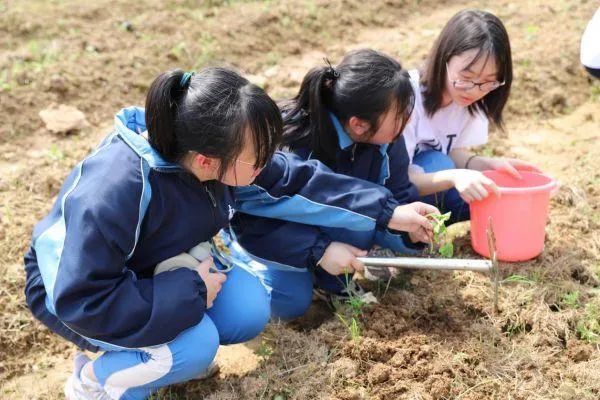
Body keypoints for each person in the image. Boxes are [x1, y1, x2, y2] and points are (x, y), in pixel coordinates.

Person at [24, 67, 435, 399]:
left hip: (157, 270)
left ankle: (164, 357)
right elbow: (85, 297)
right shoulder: (115, 191)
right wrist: (190, 290)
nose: (264, 168)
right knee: (195, 346)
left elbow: (296, 180)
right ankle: (94, 381)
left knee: (247, 310)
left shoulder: (219, 156)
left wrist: (387, 212)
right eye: (257, 160)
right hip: (74, 292)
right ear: (207, 161)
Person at [230, 49, 439, 318]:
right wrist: (320, 251)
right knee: (289, 301)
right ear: (359, 125)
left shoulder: (386, 141)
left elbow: (396, 199)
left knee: (357, 225)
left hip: (326, 235)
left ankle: (332, 284)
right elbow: (258, 219)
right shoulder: (288, 142)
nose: (408, 121)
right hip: (266, 232)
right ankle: (240, 257)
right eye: (400, 115)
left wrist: (408, 232)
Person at [403, 9, 540, 224]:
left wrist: (487, 165)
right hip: (397, 195)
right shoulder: (407, 98)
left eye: (488, 81)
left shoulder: (469, 102)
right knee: (438, 163)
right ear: (444, 59)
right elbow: (398, 180)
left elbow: (453, 151)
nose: (475, 90)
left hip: (433, 184)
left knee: (489, 192)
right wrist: (454, 176)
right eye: (466, 77)